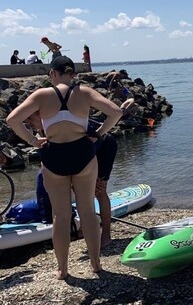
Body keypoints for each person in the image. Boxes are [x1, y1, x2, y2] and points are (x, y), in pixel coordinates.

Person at [6, 56, 124, 280]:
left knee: (60, 215)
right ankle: (96, 264)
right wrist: (99, 133)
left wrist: (32, 141)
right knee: (87, 211)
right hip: (82, 154)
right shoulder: (84, 92)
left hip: (54, 156)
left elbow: (13, 119)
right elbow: (116, 112)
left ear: (53, 73)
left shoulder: (42, 95)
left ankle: (62, 269)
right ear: (72, 74)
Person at [24, 98, 136, 247]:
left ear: (41, 114)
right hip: (82, 152)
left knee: (99, 191)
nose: (28, 123)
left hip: (103, 146)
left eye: (30, 119)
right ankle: (84, 228)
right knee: (78, 188)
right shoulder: (42, 129)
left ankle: (106, 234)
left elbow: (88, 146)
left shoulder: (63, 123)